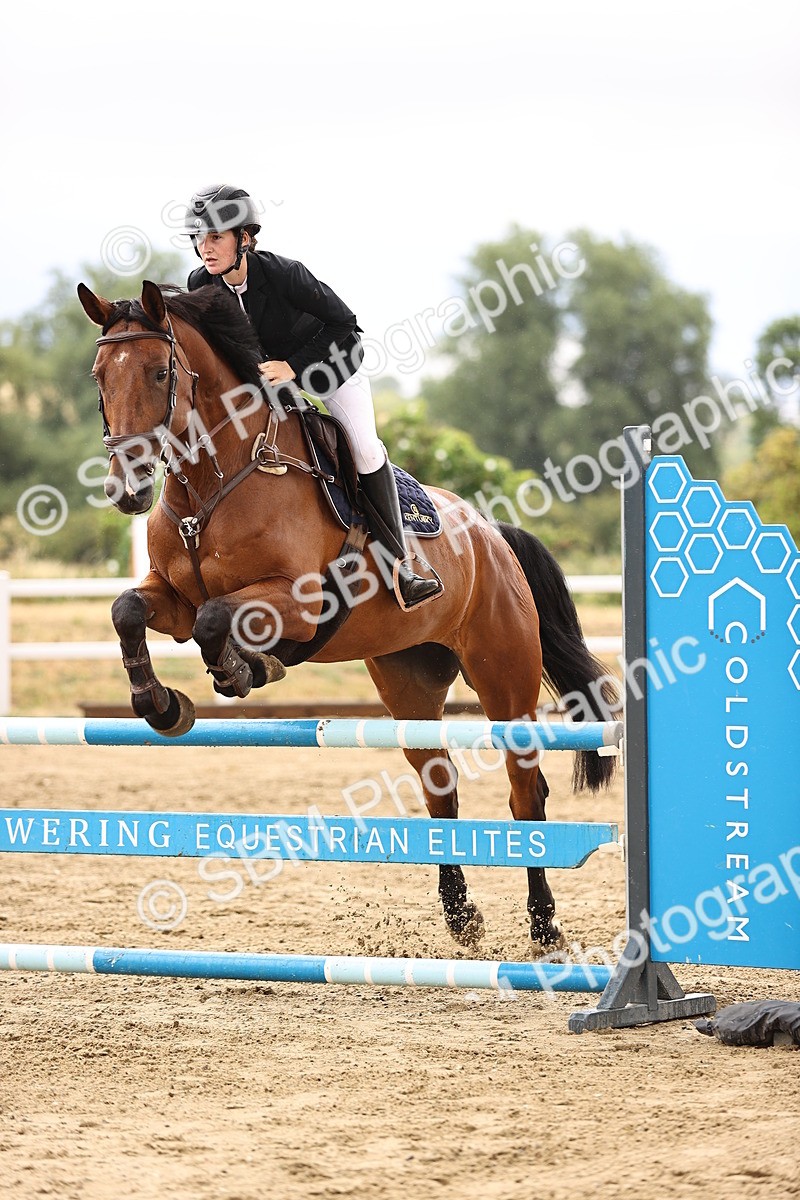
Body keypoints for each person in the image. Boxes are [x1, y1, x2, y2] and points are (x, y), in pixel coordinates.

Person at [183, 183, 441, 610]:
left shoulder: (286, 274)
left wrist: (294, 368)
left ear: (244, 239)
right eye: (199, 238)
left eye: (215, 237)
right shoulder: (201, 284)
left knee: (363, 449)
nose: (204, 248)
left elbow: (346, 326)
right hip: (268, 382)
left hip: (331, 368)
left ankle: (402, 566)